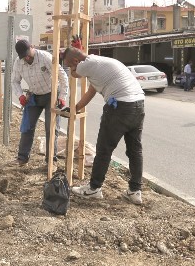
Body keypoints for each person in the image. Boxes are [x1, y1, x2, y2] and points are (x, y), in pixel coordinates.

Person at [62, 46, 146, 205]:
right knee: (135, 150)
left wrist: (73, 68)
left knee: (103, 150)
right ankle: (135, 191)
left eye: (69, 64)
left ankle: (94, 188)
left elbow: (74, 74)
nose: (70, 68)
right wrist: (75, 108)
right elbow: (91, 92)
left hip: (119, 107)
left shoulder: (86, 65)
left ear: (75, 61)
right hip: (138, 104)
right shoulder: (99, 65)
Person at [10, 39, 69, 167]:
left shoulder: (45, 57)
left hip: (51, 95)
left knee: (51, 128)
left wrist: (62, 96)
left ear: (32, 47)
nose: (26, 57)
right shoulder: (18, 62)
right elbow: (14, 81)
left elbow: (62, 76)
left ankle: (50, 161)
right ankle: (22, 158)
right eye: (23, 56)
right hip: (34, 96)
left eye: (27, 53)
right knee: (27, 128)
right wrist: (20, 96)